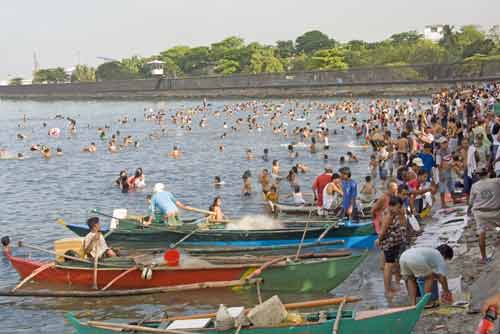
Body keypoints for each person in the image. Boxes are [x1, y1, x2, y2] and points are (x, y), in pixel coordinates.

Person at [468, 168, 500, 264]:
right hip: (496, 211)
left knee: (482, 233)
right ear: (488, 173)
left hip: (480, 213)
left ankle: (484, 257)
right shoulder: (497, 181)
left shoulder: (474, 186)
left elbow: (470, 202)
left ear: (477, 176)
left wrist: (469, 209)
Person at [376, 196, 406, 297]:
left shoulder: (393, 213)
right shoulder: (389, 215)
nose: (398, 209)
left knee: (393, 265)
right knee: (388, 266)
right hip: (389, 243)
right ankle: (387, 290)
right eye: (398, 207)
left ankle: (391, 287)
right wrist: (379, 240)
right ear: (391, 206)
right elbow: (383, 230)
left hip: (394, 242)